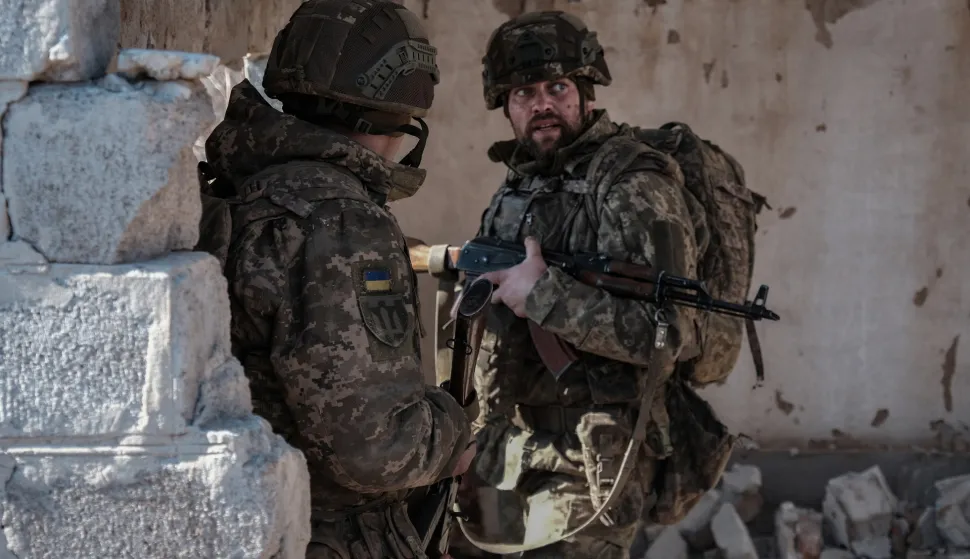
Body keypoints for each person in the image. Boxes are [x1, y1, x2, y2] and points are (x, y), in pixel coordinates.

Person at [443, 10, 740, 559]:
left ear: (584, 92)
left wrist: (544, 296)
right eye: (524, 93)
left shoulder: (634, 186)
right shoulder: (521, 185)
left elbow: (670, 335)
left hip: (594, 459)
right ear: (505, 105)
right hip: (508, 446)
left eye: (557, 87)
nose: (542, 105)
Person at [194, 1, 476, 557]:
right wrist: (455, 433)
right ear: (403, 106)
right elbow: (375, 444)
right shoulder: (341, 219)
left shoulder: (245, 178)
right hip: (325, 532)